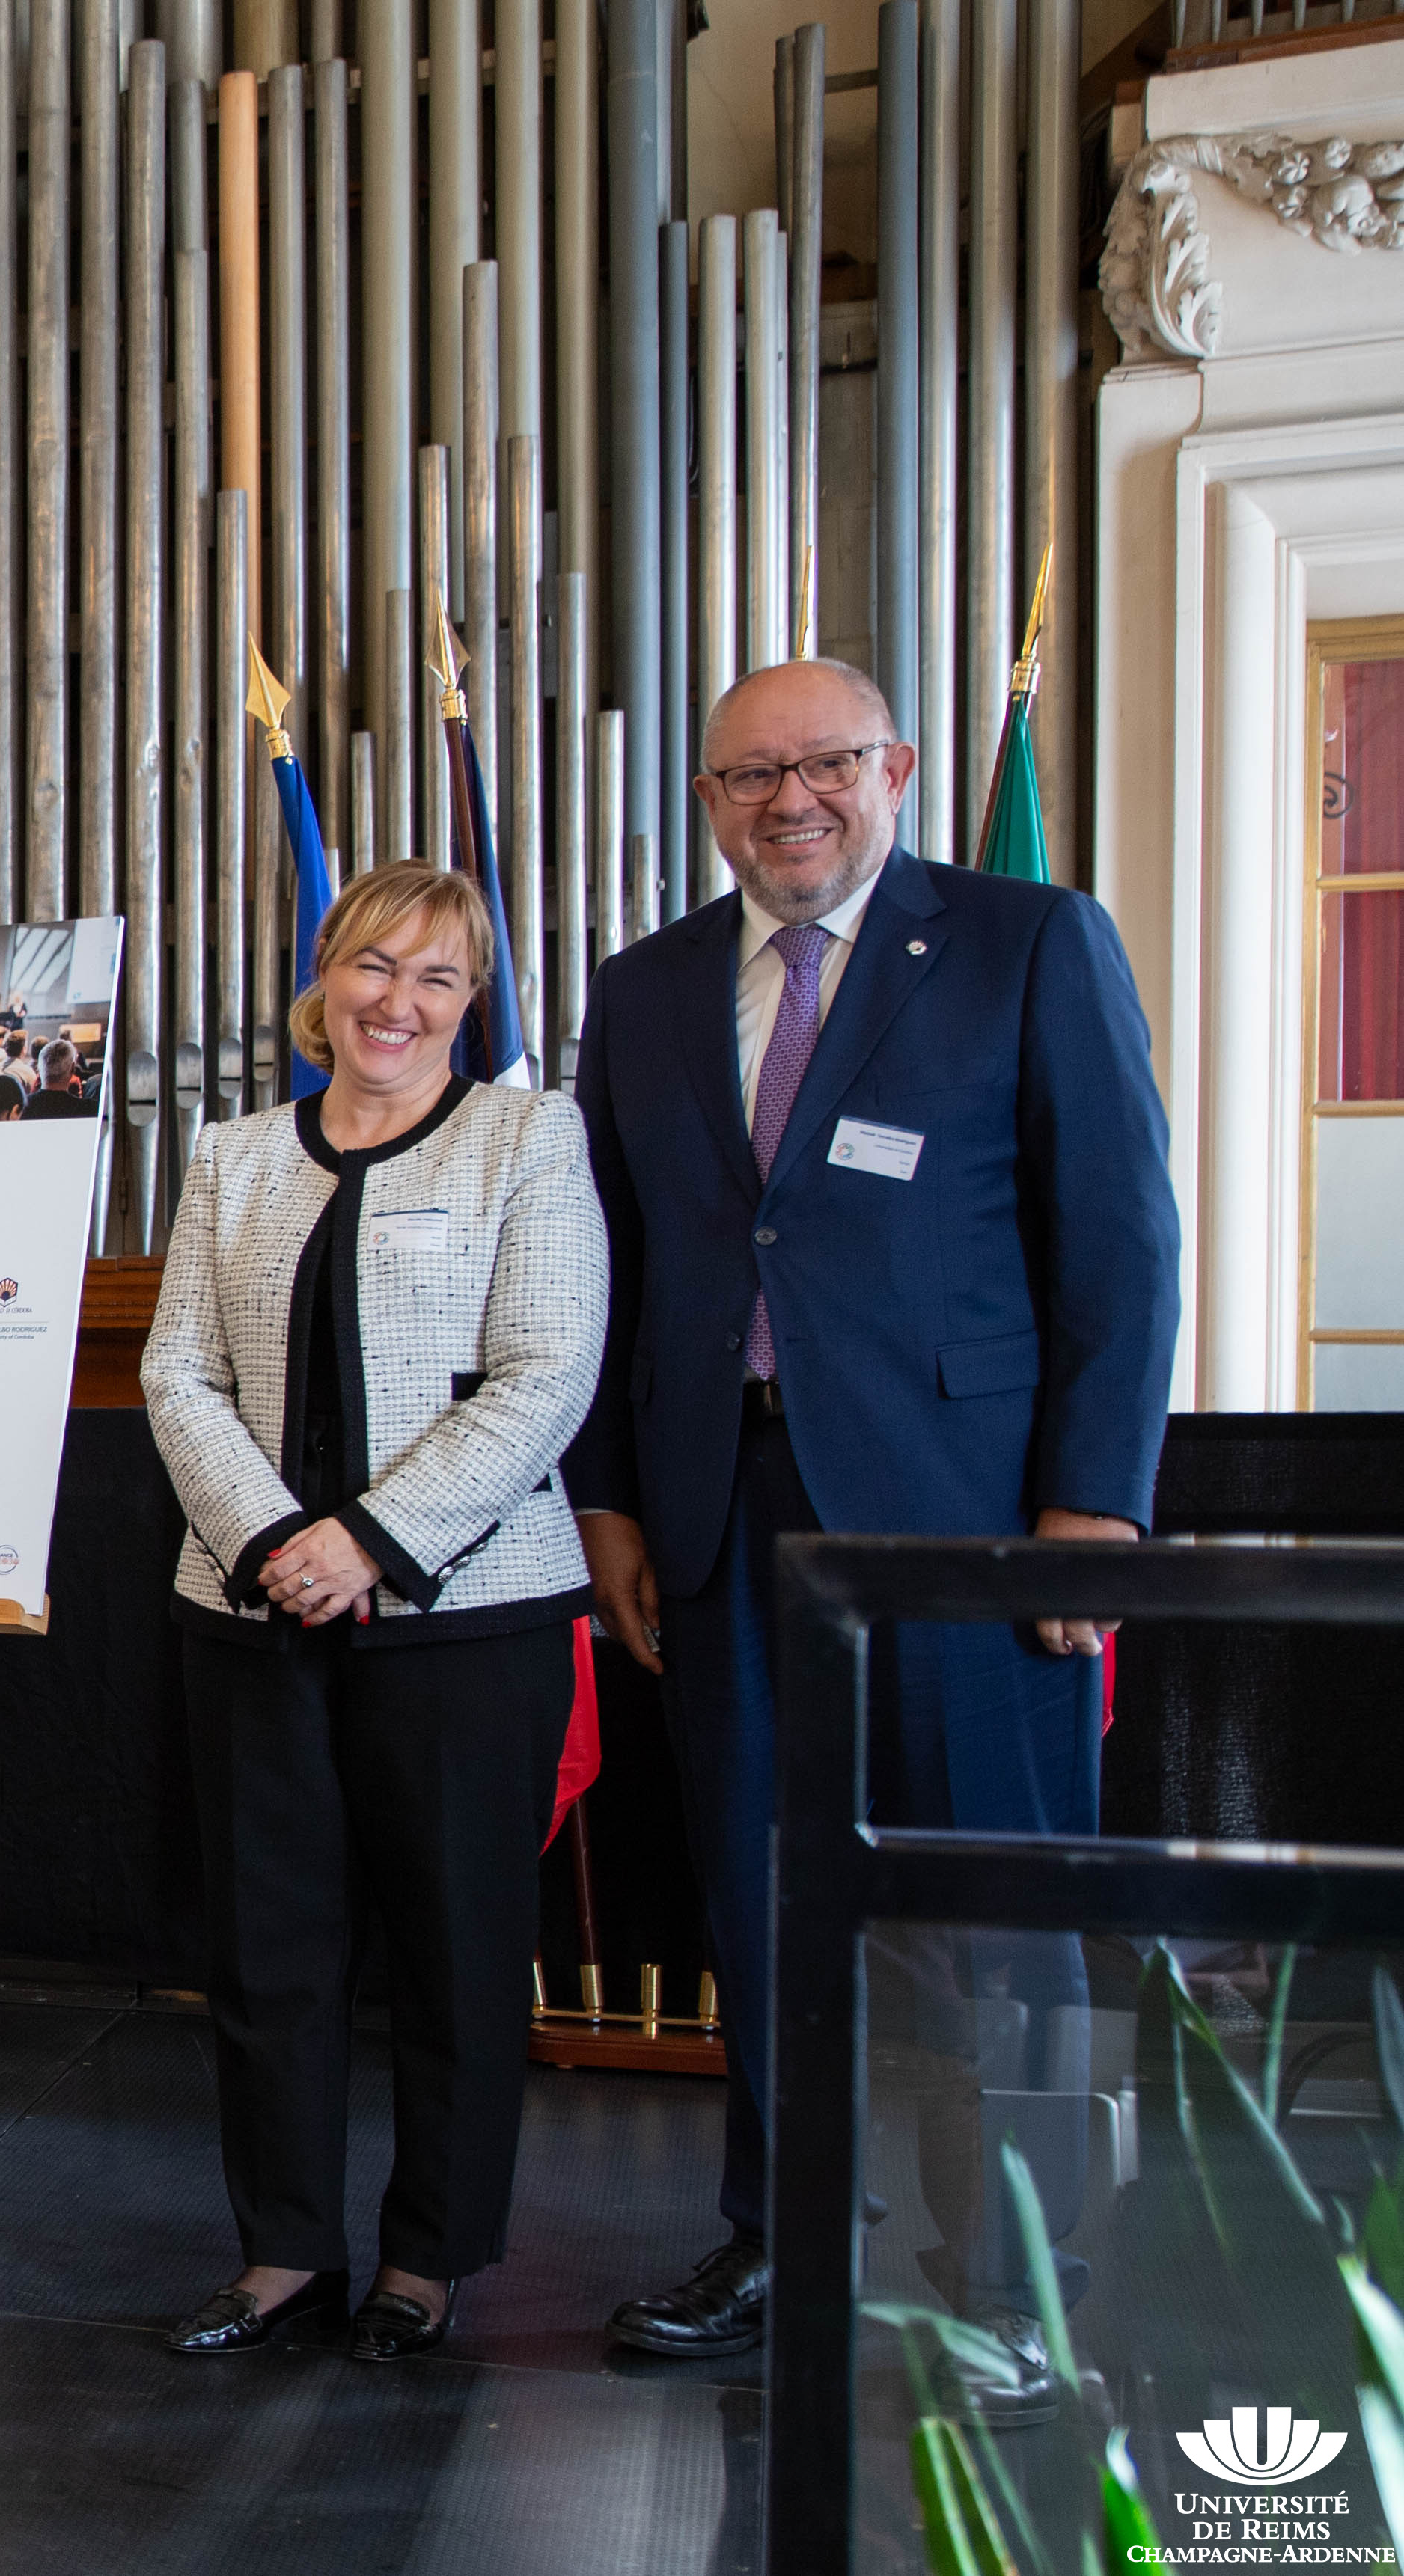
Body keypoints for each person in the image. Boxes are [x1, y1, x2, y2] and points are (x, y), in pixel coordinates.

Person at [567, 659, 1179, 2396]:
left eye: (825, 764)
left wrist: (1094, 1503)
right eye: (750, 776)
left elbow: (1121, 1238)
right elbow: (618, 1268)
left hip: (974, 1522)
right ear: (708, 801)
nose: (791, 801)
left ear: (895, 768)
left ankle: (1016, 2281)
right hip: (722, 1510)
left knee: (1000, 1909)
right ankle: (783, 2233)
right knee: (761, 1894)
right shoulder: (646, 989)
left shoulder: (1029, 942)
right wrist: (610, 1494)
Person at [141, 860, 605, 2363]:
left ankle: (429, 2261)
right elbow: (177, 1371)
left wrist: (370, 1542)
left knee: (456, 1949)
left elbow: (545, 1372)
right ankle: (283, 2252)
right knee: (269, 1950)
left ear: (470, 1005)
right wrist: (277, 1538)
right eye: (373, 967)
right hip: (251, 1609)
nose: (396, 1002)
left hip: (464, 1619)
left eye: (436, 978)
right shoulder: (232, 1156)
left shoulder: (527, 1138)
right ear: (324, 979)